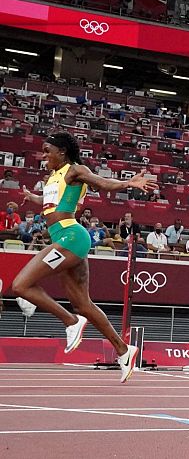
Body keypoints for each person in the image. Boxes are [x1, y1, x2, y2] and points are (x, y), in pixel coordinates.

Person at [8, 133, 147, 382]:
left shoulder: (75, 170)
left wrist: (129, 184)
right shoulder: (53, 177)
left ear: (62, 151)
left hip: (71, 238)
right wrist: (33, 198)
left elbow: (101, 182)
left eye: (47, 150)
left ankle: (70, 321)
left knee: (20, 285)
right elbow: (51, 202)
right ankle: (125, 351)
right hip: (65, 241)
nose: (43, 155)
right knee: (84, 304)